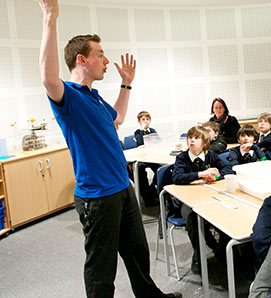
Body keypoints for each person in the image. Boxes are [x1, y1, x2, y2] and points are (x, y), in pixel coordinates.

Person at [38, 1, 181, 297]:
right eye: (100, 55)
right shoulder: (70, 98)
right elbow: (48, 78)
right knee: (102, 269)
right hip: (97, 196)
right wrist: (51, 17)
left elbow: (117, 118)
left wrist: (126, 85)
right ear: (81, 59)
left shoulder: (96, 97)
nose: (106, 61)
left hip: (122, 188)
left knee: (137, 254)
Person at [171, 125, 234, 274]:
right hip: (186, 200)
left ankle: (223, 250)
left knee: (225, 211)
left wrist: (216, 176)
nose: (192, 140)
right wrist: (200, 174)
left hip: (209, 196)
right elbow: (177, 177)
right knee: (193, 218)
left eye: (197, 138)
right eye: (190, 137)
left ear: (205, 143)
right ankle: (199, 254)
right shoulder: (182, 157)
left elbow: (227, 169)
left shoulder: (210, 154)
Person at [134, 111, 159, 206]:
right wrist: (142, 130)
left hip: (152, 157)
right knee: (140, 169)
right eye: (143, 119)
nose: (146, 121)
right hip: (143, 158)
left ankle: (152, 190)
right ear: (139, 121)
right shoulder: (138, 132)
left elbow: (159, 141)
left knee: (160, 169)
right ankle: (147, 199)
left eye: (147, 119)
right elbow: (140, 142)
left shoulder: (152, 130)